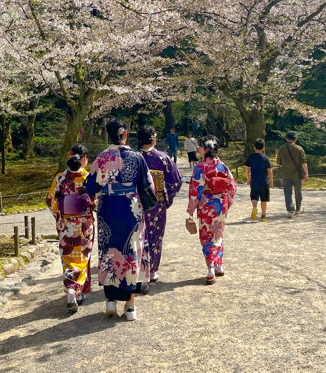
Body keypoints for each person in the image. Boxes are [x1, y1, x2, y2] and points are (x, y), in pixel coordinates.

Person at [84, 118, 154, 321]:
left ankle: (110, 301)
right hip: (130, 209)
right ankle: (130, 305)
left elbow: (90, 187)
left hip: (107, 208)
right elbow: (148, 186)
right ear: (125, 134)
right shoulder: (137, 157)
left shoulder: (101, 158)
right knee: (131, 251)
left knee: (108, 252)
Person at [46, 143, 94, 314]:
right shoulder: (88, 178)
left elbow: (50, 200)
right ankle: (75, 291)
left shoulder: (60, 178)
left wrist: (61, 218)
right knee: (82, 258)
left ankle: (71, 291)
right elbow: (95, 202)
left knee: (68, 258)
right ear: (83, 159)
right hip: (84, 224)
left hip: (66, 224)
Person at [186, 135, 237, 284]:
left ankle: (210, 269)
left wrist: (191, 209)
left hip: (206, 205)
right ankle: (219, 266)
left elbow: (195, 190)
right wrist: (227, 202)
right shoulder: (223, 166)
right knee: (218, 234)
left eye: (200, 147)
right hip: (220, 204)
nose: (198, 149)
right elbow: (232, 186)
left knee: (206, 236)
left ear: (207, 149)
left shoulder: (201, 167)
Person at [138, 125, 182, 289]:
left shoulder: (134, 158)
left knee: (139, 235)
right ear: (154, 140)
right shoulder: (163, 158)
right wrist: (166, 198)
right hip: (157, 203)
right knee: (155, 235)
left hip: (137, 203)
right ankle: (153, 270)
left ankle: (140, 269)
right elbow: (175, 181)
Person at [276, 131, 308, 218]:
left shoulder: (281, 149)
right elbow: (303, 162)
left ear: (286, 139)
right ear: (296, 139)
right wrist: (306, 173)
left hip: (286, 174)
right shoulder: (299, 149)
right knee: (298, 192)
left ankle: (290, 210)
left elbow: (278, 162)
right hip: (297, 174)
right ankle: (298, 209)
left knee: (287, 193)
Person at [245, 139, 274, 222]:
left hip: (254, 181)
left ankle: (254, 208)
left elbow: (246, 168)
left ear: (254, 147)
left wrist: (248, 178)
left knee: (254, 196)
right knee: (264, 199)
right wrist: (271, 181)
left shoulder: (251, 157)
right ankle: (263, 215)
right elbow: (270, 171)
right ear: (263, 148)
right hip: (264, 182)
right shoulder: (265, 158)